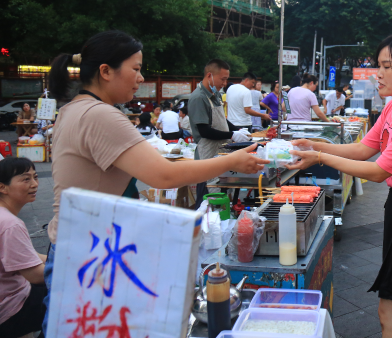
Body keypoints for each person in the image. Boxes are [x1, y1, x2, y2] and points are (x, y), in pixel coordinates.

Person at [44, 32, 269, 335]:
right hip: (86, 255)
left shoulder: (74, 108)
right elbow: (164, 175)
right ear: (106, 71)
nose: (141, 77)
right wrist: (232, 161)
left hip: (78, 245)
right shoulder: (100, 115)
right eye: (136, 69)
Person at [287, 34, 392, 338]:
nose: (378, 74)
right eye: (379, 66)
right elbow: (363, 149)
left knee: (390, 312)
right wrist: (316, 144)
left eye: (387, 66)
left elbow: (377, 171)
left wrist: (319, 157)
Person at [188, 60, 255, 202]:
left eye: (226, 79)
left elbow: (222, 120)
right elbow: (204, 131)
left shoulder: (215, 94)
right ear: (209, 76)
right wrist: (232, 134)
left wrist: (238, 130)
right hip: (206, 156)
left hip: (219, 152)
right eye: (222, 79)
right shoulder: (199, 97)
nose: (224, 83)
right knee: (207, 199)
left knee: (221, 197)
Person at [0, 158, 47, 338]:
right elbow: (35, 275)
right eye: (26, 179)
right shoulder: (10, 224)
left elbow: (27, 255)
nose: (34, 184)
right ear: (2, 187)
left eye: (35, 177)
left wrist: (61, 259)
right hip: (11, 307)